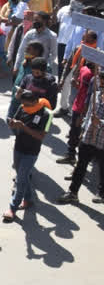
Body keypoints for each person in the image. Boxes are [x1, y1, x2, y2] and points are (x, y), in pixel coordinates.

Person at [3, 90, 52, 222]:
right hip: (18, 147)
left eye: (28, 105)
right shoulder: (22, 107)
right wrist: (12, 123)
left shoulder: (46, 114)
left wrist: (23, 127)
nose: (25, 107)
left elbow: (40, 136)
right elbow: (15, 120)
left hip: (31, 152)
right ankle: (29, 199)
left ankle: (12, 208)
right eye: (23, 104)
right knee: (22, 175)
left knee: (20, 178)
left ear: (36, 102)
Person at [57, 68, 104, 204]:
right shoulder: (97, 95)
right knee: (80, 166)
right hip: (88, 137)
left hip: (102, 141)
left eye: (102, 81)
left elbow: (96, 119)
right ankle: (73, 192)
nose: (100, 83)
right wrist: (84, 128)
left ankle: (102, 193)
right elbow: (89, 113)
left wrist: (100, 122)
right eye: (100, 80)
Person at [14, 11, 58, 77]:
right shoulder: (29, 34)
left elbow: (53, 54)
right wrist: (16, 66)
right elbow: (21, 51)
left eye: (37, 20)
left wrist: (45, 66)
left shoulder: (52, 36)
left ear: (44, 21)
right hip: (26, 67)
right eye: (34, 20)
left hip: (41, 70)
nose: (34, 22)